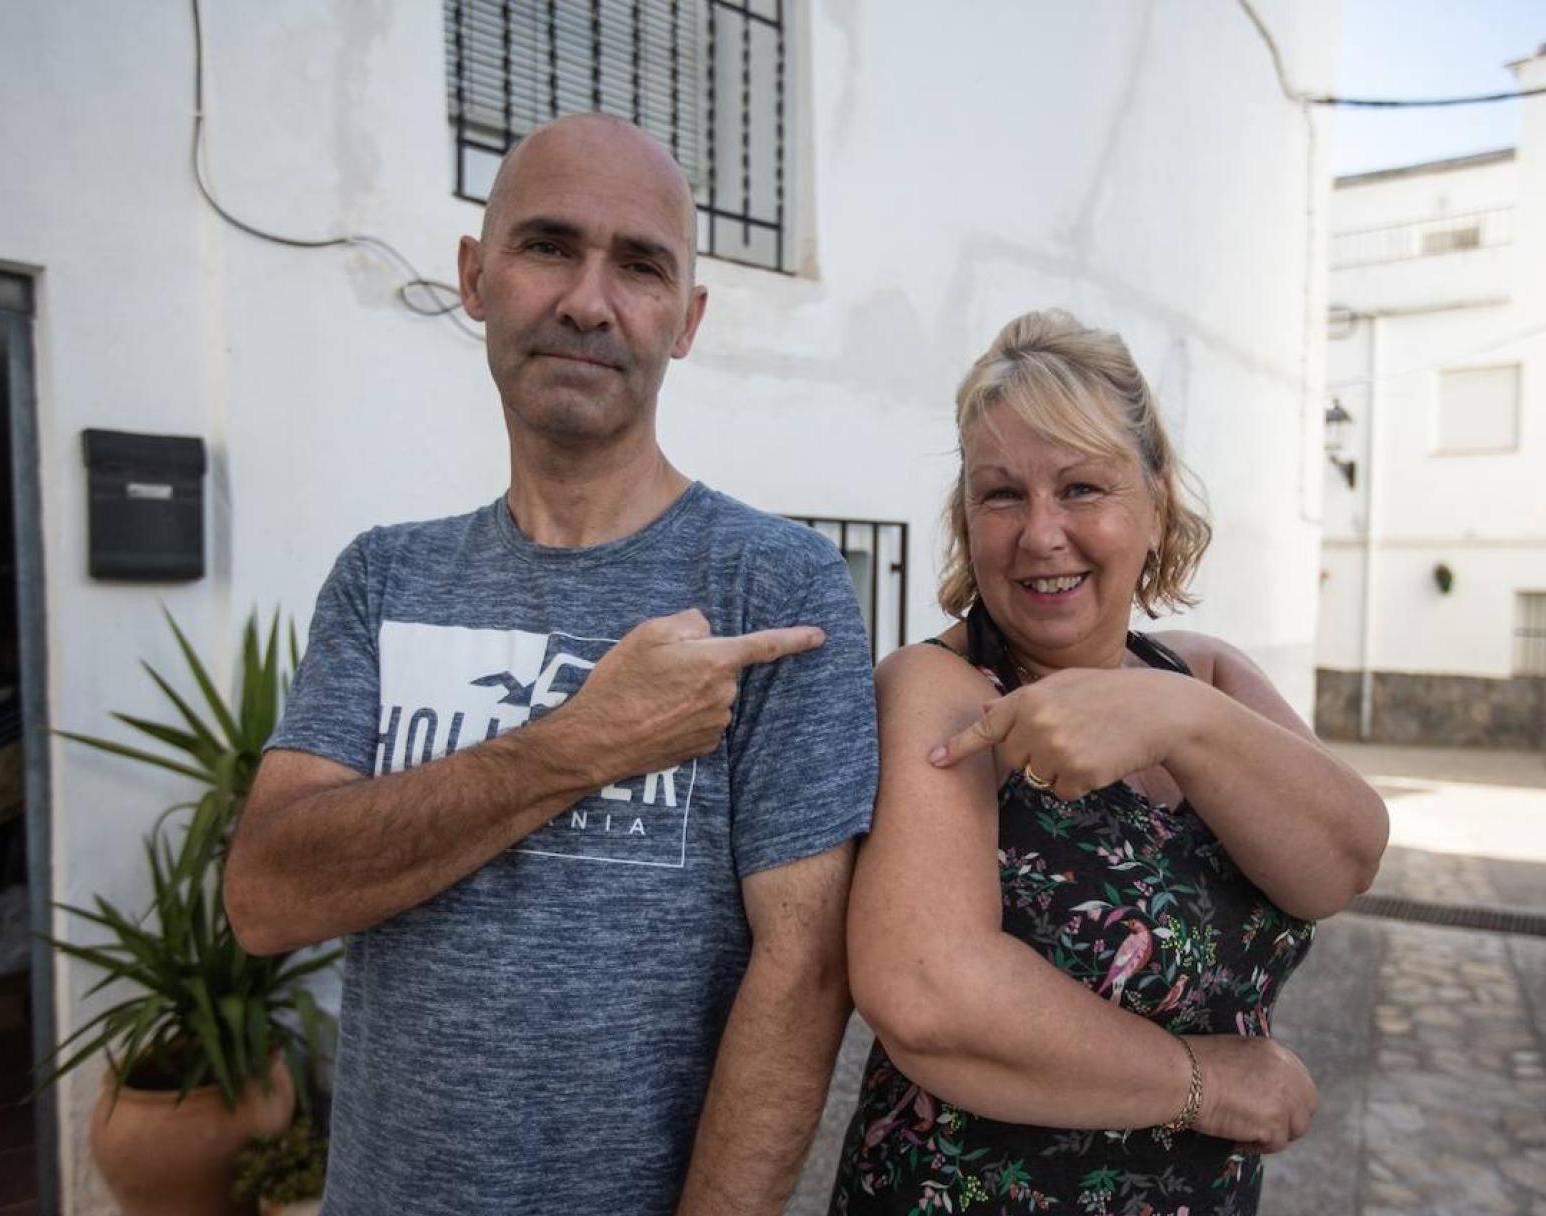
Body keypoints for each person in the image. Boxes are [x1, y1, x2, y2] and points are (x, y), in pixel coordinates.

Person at [223, 115, 879, 1216]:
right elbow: (267, 894)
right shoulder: (385, 580)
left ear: (687, 320)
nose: (587, 300)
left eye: (639, 265)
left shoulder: (778, 587)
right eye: (547, 246)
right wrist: (582, 744)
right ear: (475, 277)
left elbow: (805, 974)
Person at [828, 310, 1389, 1215]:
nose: (1041, 534)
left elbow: (1344, 861)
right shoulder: (941, 688)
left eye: (1083, 488)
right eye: (1001, 494)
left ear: (1156, 504)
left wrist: (1181, 720)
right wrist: (1202, 1080)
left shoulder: (1200, 675)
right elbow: (928, 994)